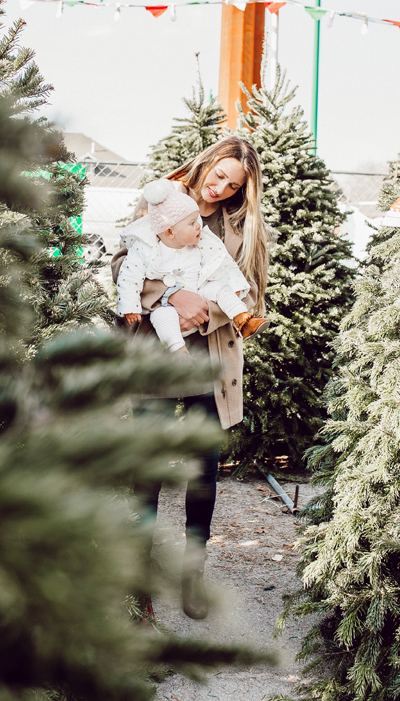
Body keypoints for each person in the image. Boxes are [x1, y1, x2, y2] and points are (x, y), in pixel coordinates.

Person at [111, 137, 269, 621]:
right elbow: (122, 264)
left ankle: (192, 573)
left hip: (209, 357)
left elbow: (252, 292)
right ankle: (139, 586)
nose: (220, 188)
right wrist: (170, 296)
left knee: (203, 469)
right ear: (204, 165)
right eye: (217, 176)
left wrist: (201, 314)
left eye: (233, 185)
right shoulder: (161, 200)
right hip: (156, 357)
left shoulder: (242, 227)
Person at [116, 177, 269, 354]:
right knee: (162, 316)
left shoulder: (202, 241)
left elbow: (223, 263)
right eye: (192, 223)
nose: (199, 226)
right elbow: (128, 277)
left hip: (200, 290)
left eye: (197, 220)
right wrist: (129, 307)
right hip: (167, 305)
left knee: (219, 289)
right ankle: (179, 351)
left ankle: (243, 319)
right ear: (169, 232)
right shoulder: (146, 249)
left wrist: (234, 287)